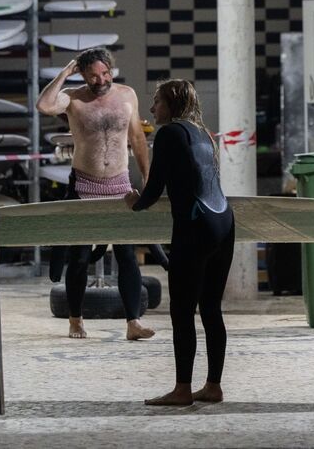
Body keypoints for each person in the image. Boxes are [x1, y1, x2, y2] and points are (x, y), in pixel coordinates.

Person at [124, 79, 235, 406]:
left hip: (195, 225)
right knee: (211, 308)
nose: (152, 108)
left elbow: (155, 187)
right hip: (224, 221)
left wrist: (136, 202)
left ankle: (182, 389)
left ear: (171, 104)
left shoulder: (170, 133)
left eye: (156, 101)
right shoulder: (203, 133)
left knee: (182, 311)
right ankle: (213, 386)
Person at [35, 47, 155, 341]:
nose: (101, 80)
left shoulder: (127, 95)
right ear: (83, 76)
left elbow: (137, 137)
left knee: (127, 254)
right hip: (84, 185)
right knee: (79, 257)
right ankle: (75, 319)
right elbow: (43, 105)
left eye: (105, 73)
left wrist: (148, 178)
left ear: (111, 70)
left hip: (120, 183)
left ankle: (133, 322)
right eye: (93, 76)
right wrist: (64, 73)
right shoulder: (73, 98)